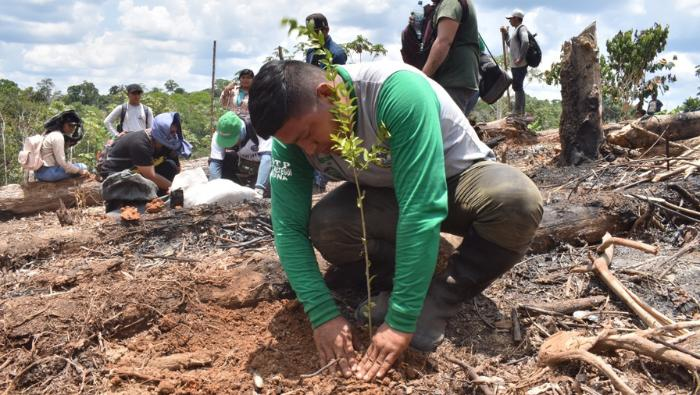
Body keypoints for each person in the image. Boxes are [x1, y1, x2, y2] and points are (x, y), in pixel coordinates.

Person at [248, 60, 543, 381]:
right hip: (390, 193)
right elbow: (288, 228)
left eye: (307, 135)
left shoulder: (395, 92)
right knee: (328, 225)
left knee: (517, 200)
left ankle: (441, 297)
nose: (308, 149)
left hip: (457, 181)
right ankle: (416, 267)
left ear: (327, 94)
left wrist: (402, 318)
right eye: (296, 143)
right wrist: (322, 315)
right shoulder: (293, 138)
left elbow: (421, 206)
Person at [99, 112, 189, 201]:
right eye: (172, 132)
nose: (174, 136)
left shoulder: (167, 143)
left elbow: (177, 168)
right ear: (162, 132)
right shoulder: (140, 144)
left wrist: (177, 184)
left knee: (170, 166)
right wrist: (174, 187)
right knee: (139, 190)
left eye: (175, 132)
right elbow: (150, 175)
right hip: (116, 177)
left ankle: (161, 198)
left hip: (137, 171)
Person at [305, 13, 347, 193]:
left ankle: (321, 181)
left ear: (326, 30)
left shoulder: (337, 53)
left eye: (317, 31)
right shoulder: (310, 53)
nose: (313, 36)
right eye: (310, 33)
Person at [420, 0, 481, 116]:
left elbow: (444, 41)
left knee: (447, 132)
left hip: (453, 80)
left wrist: (423, 78)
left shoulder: (450, 3)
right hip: (460, 79)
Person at [208, 112, 273, 196]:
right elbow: (215, 163)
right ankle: (234, 188)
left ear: (241, 131)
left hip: (265, 165)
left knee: (266, 191)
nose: (230, 145)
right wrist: (213, 188)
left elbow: (267, 159)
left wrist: (259, 188)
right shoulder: (218, 136)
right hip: (242, 163)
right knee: (226, 160)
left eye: (232, 140)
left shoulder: (258, 127)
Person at [35, 111, 89, 182]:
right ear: (63, 124)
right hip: (48, 173)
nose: (72, 128)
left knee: (77, 167)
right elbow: (62, 162)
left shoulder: (51, 134)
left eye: (74, 126)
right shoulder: (58, 136)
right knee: (83, 166)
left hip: (41, 173)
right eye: (69, 125)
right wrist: (80, 171)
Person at [501, 10, 529, 116]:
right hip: (516, 64)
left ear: (516, 18)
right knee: (517, 86)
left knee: (518, 86)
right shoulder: (516, 31)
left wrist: (520, 58)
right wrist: (505, 34)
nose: (509, 21)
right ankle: (519, 111)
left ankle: (518, 111)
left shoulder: (522, 28)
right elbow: (510, 44)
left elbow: (525, 41)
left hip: (519, 64)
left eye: (510, 19)